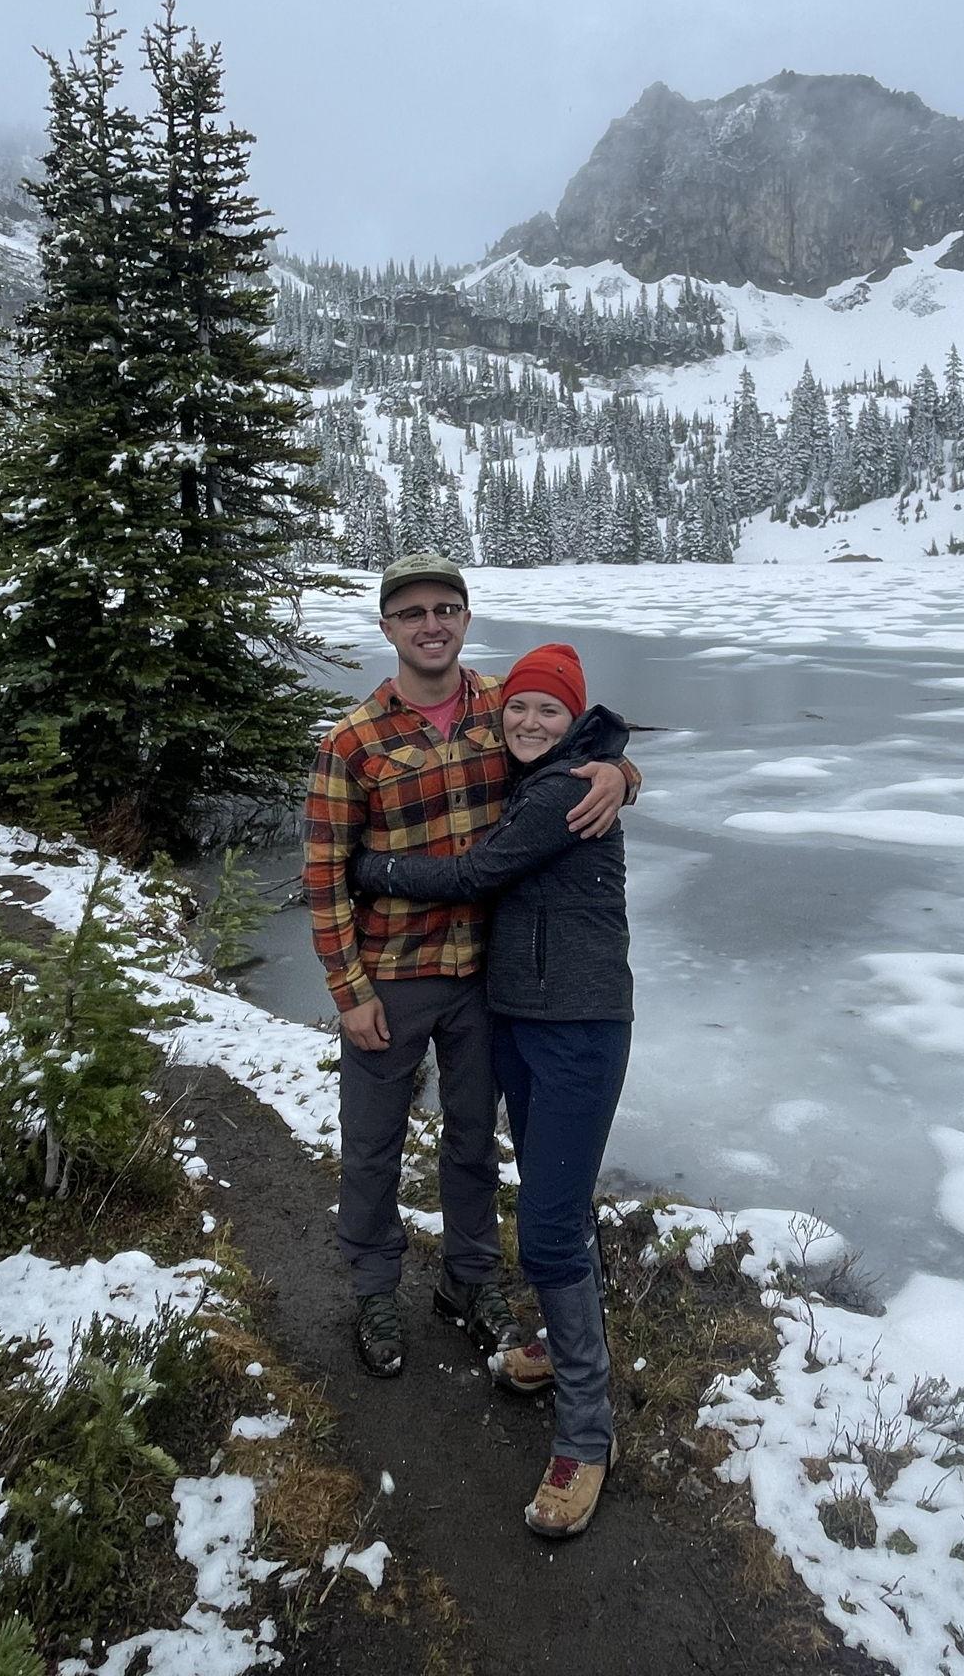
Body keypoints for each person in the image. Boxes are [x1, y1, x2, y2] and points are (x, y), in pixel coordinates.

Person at [302, 555, 635, 1381]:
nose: (431, 624)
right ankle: (376, 1286)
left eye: (446, 608)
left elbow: (574, 748)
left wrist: (622, 775)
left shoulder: (504, 705)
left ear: (465, 617)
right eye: (412, 612)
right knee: (373, 1143)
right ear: (387, 628)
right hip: (393, 974)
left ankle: (469, 1278)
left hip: (488, 976)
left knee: (472, 1141)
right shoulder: (352, 742)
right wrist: (348, 991)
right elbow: (323, 874)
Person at [351, 640, 632, 1541]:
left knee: (548, 1228)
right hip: (517, 1015)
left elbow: (476, 873)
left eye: (549, 710)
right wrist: (628, 768)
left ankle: (587, 1436)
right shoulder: (554, 772)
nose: (527, 721)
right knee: (556, 1199)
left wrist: (379, 871)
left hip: (577, 1028)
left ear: (574, 717)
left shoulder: (560, 789)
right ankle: (559, 1347)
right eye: (518, 705)